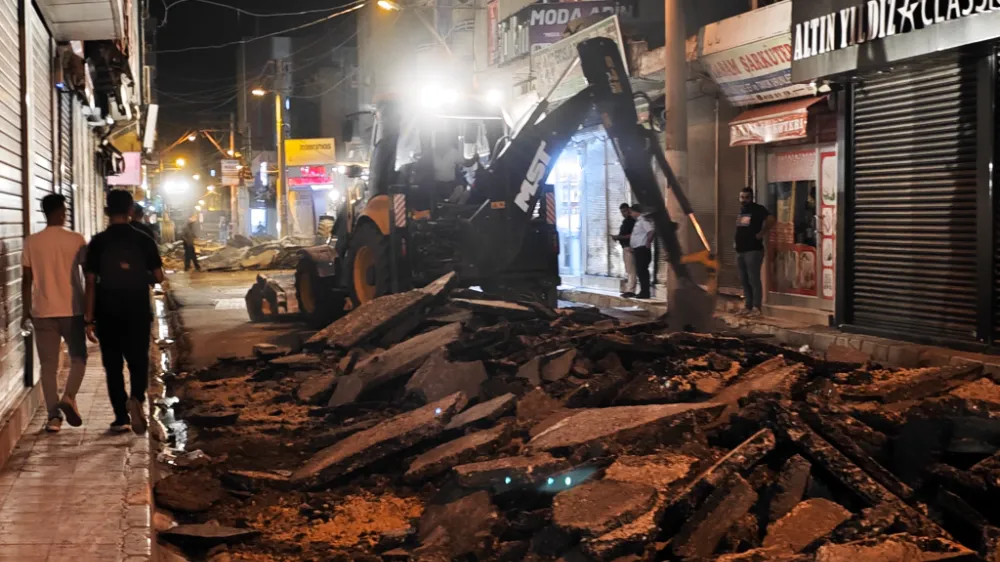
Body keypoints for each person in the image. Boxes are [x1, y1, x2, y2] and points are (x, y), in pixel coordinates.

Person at [84, 190, 165, 434]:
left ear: (107, 211)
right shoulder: (144, 240)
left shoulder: (97, 242)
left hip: (107, 313)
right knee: (138, 361)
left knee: (113, 365)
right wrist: (140, 275)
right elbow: (159, 277)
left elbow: (90, 282)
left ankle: (121, 417)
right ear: (131, 211)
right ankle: (137, 399)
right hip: (138, 310)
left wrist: (89, 319)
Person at [22, 194, 88, 433]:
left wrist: (25, 311)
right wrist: (92, 311)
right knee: (79, 358)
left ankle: (54, 418)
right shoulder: (76, 240)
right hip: (73, 310)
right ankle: (69, 396)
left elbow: (26, 280)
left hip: (42, 311)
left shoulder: (32, 241)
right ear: (61, 212)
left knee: (48, 367)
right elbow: (90, 277)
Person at [735, 187, 775, 316]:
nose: (744, 200)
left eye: (746, 197)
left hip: (753, 250)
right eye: (742, 197)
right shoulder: (742, 211)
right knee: (744, 279)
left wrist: (762, 233)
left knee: (753, 279)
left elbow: (771, 219)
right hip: (741, 250)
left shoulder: (758, 209)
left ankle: (756, 307)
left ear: (751, 198)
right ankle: (748, 306)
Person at [611, 202, 637, 297]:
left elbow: (631, 235)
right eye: (622, 212)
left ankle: (631, 290)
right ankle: (629, 289)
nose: (623, 214)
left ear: (629, 210)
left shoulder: (631, 221)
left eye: (625, 211)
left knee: (631, 269)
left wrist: (619, 237)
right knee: (629, 269)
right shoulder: (626, 221)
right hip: (626, 246)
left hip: (630, 246)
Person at [629, 203, 654, 299]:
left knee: (642, 271)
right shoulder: (639, 221)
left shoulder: (643, 220)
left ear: (636, 212)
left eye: (631, 212)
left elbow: (651, 231)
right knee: (640, 271)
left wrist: (648, 242)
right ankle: (643, 291)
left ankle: (645, 293)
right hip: (638, 249)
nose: (631, 214)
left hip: (642, 249)